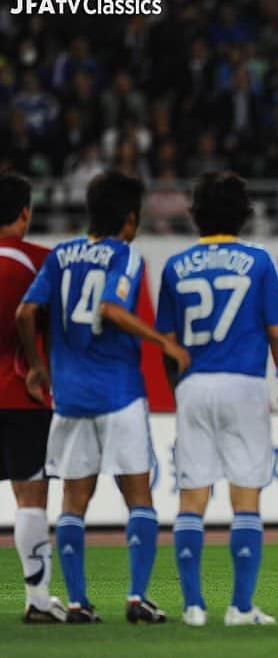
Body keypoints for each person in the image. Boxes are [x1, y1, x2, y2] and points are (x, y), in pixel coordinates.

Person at [16, 171, 189, 624]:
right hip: (118, 392)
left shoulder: (60, 255)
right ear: (130, 219)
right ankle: (136, 598)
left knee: (74, 502)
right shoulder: (125, 256)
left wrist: (37, 365)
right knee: (139, 498)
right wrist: (162, 342)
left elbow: (26, 311)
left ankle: (76, 603)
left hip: (69, 397)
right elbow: (110, 308)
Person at [155, 171, 278, 627]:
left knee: (192, 498)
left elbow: (167, 341)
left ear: (194, 215)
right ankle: (241, 607)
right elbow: (277, 333)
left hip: (194, 384)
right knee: (245, 498)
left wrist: (182, 390)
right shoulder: (259, 261)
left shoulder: (175, 266)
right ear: (245, 214)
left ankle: (193, 606)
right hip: (244, 384)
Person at [0, 173, 67, 623]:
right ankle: (39, 601)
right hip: (21, 392)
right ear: (25, 212)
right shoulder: (42, 262)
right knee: (30, 498)